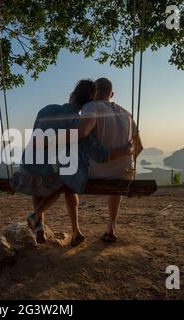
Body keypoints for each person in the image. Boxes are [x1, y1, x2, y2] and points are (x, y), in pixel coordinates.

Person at [13, 79, 133, 246]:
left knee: (41, 170)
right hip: (48, 176)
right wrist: (126, 151)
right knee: (66, 179)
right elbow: (100, 154)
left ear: (72, 95)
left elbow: (35, 137)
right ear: (88, 103)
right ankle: (40, 216)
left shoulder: (45, 109)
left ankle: (40, 225)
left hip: (25, 170)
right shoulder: (78, 123)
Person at [78, 78, 143, 242]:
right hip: (123, 175)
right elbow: (139, 147)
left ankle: (75, 230)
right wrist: (124, 160)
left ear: (94, 92)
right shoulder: (126, 114)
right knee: (120, 175)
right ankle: (111, 227)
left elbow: (83, 132)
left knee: (65, 170)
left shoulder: (90, 106)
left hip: (95, 174)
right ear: (111, 94)